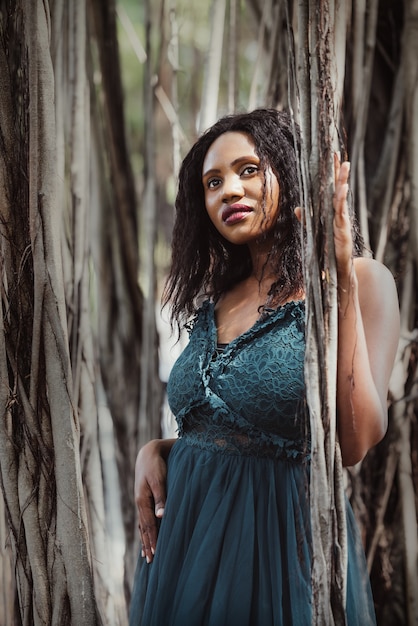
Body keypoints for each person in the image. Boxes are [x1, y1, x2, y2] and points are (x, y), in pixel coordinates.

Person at [129, 108, 399, 626]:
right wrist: (157, 449)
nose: (229, 190)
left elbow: (356, 440)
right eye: (213, 182)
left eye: (248, 169)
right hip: (186, 545)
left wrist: (338, 275)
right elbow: (225, 427)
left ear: (289, 173)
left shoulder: (362, 280)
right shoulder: (218, 298)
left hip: (277, 554)